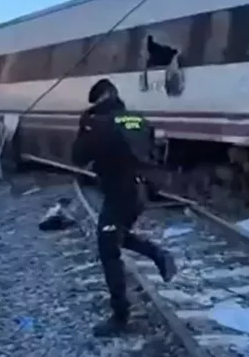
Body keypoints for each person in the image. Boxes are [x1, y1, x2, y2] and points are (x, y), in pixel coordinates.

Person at [71, 78, 178, 337]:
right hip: (140, 192)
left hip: (120, 192)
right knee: (115, 235)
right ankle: (158, 255)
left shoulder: (99, 124)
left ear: (103, 97)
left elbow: (79, 157)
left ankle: (120, 317)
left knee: (108, 250)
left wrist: (84, 126)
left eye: (96, 101)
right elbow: (151, 150)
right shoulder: (138, 119)